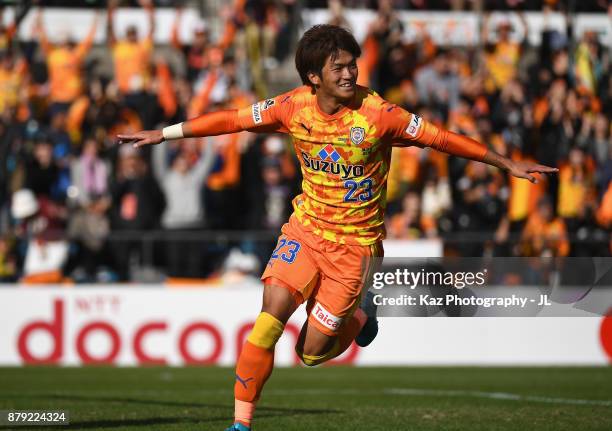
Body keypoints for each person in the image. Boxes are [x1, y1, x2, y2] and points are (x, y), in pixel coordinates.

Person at [117, 24, 557, 431]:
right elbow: (232, 119)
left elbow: (441, 138)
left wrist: (506, 164)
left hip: (355, 249)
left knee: (309, 354)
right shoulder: (292, 107)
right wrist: (166, 133)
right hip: (304, 231)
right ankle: (240, 424)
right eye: (339, 67)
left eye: (353, 64)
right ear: (314, 76)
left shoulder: (378, 114)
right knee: (267, 324)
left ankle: (360, 316)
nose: (349, 73)